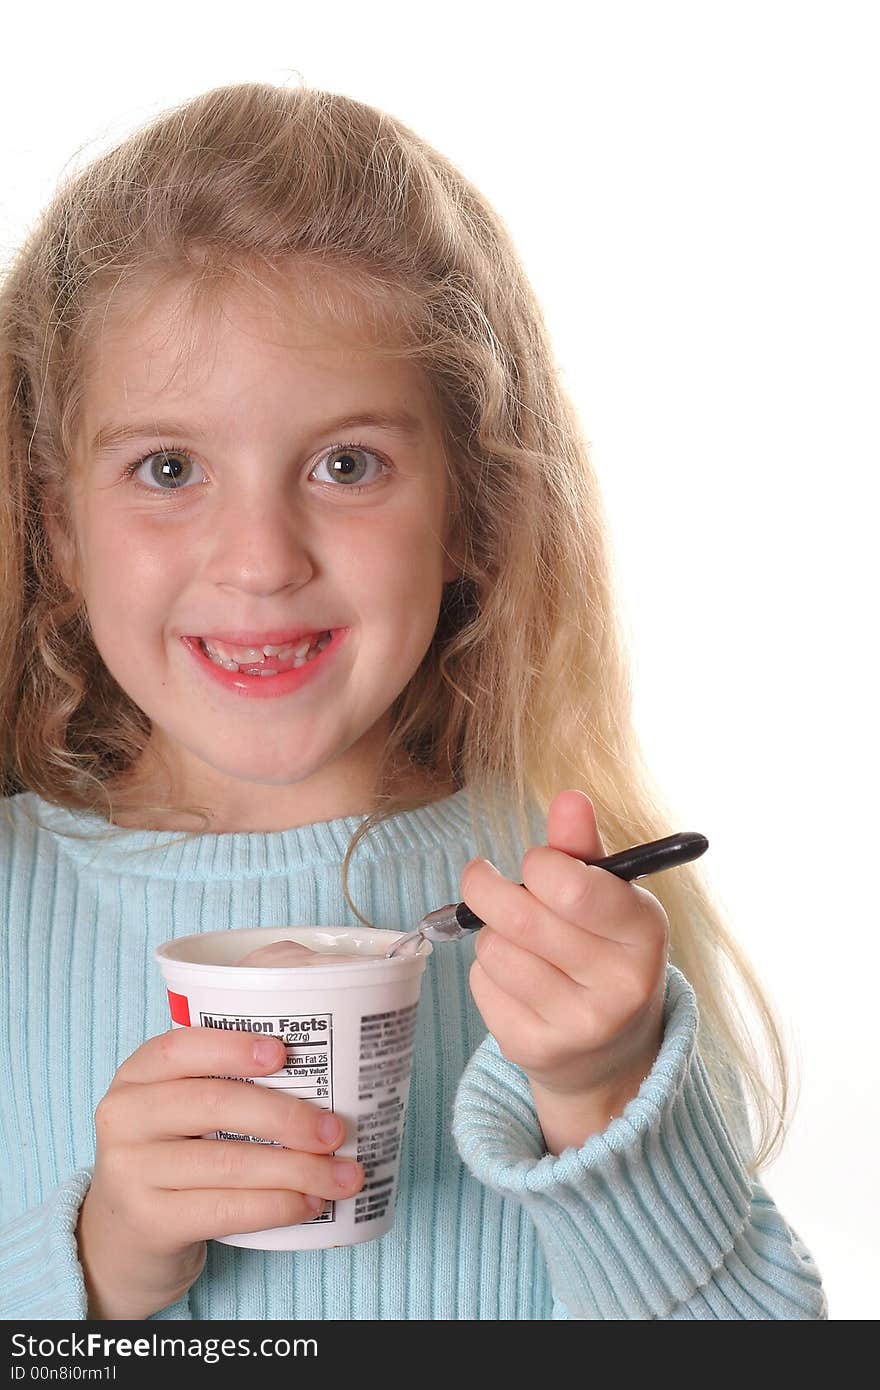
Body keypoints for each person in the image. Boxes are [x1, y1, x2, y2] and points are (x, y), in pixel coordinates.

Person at [0, 81, 826, 1321]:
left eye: (347, 464)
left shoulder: (571, 919)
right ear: (58, 524)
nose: (261, 558)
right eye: (168, 469)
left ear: (470, 512)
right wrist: (98, 1264)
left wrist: (604, 1097)